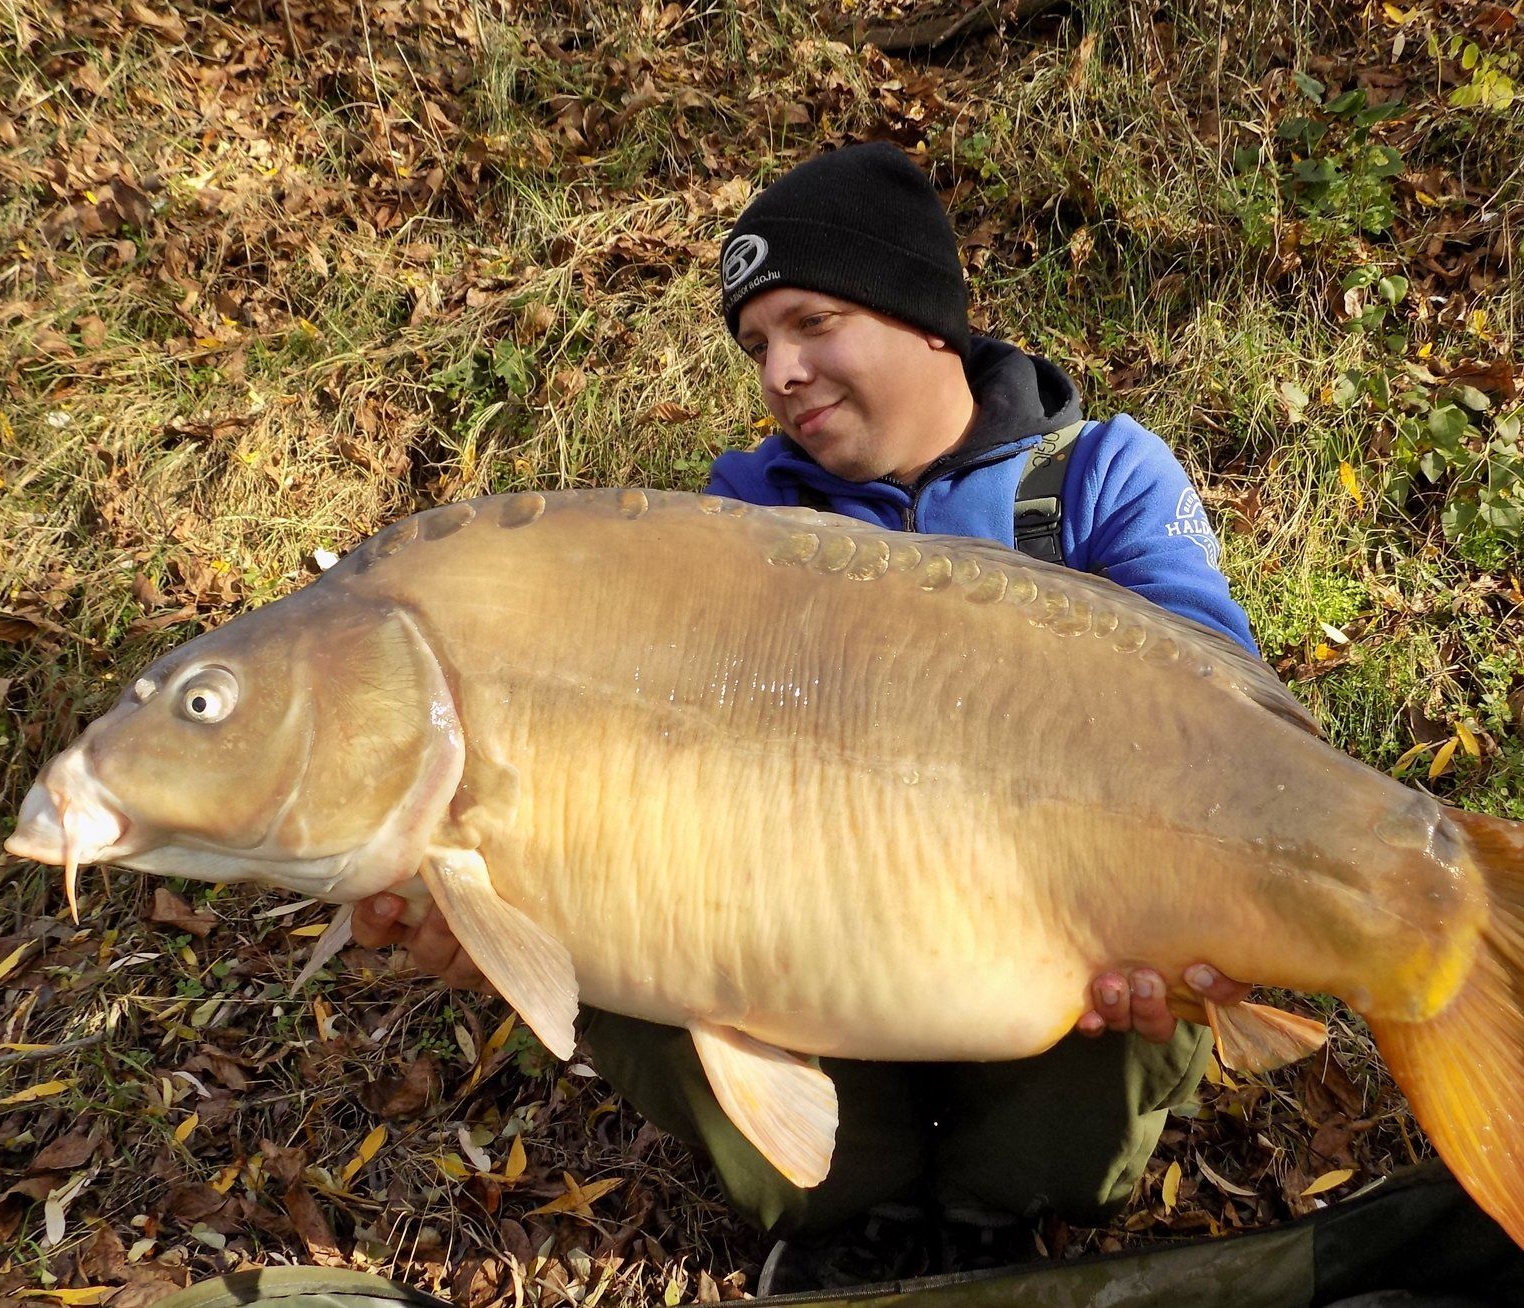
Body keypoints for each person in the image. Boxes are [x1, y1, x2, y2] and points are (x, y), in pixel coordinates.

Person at [352, 142, 1257, 1281]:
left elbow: (1222, 698)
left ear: (927, 319)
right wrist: (492, 899)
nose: (780, 371)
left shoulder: (1100, 475)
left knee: (1154, 956)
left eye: (812, 322)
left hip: (1046, 933)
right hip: (810, 945)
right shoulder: (733, 521)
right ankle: (842, 1216)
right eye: (757, 345)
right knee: (615, 910)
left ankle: (1006, 1214)